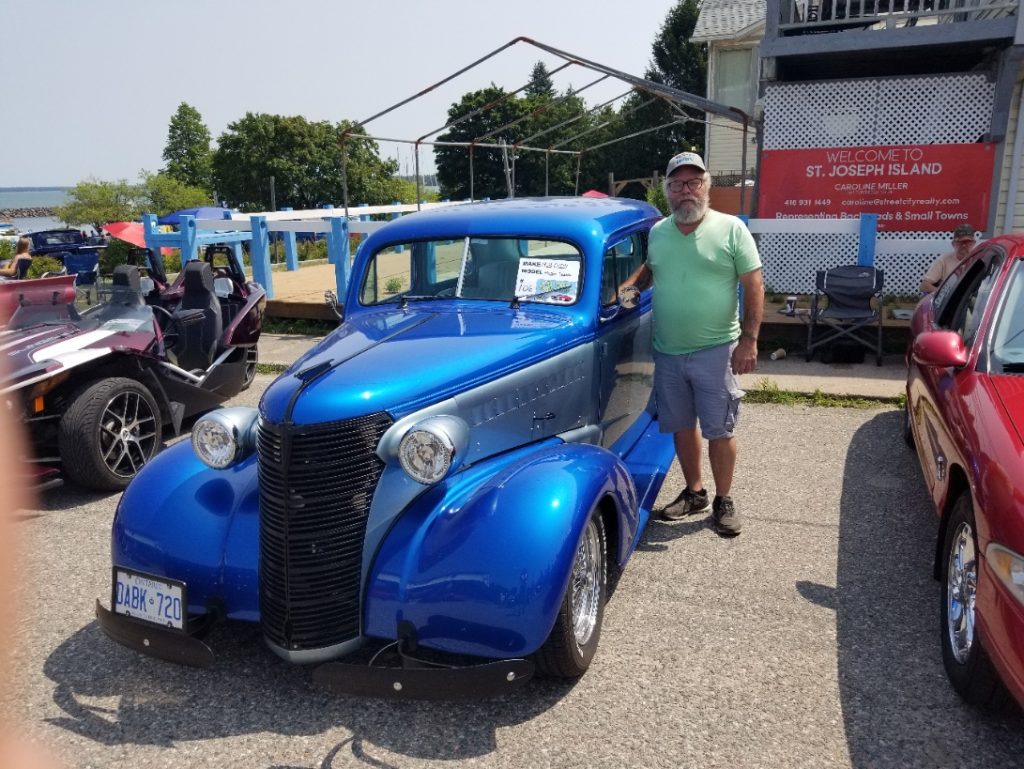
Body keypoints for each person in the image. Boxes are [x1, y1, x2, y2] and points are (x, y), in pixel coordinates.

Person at [619, 151, 763, 537]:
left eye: (693, 182)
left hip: (716, 348)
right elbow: (651, 269)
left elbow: (754, 285)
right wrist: (628, 290)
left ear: (706, 186)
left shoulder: (731, 229)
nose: (686, 190)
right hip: (668, 350)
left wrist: (749, 341)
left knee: (720, 429)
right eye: (677, 184)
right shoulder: (659, 232)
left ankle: (724, 499)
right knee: (682, 426)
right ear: (667, 189)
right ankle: (695, 492)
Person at [920, 224, 976, 293]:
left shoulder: (978, 260)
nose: (964, 245)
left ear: (974, 243)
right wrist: (943, 294)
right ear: (953, 244)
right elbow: (924, 286)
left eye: (968, 242)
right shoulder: (943, 260)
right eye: (960, 242)